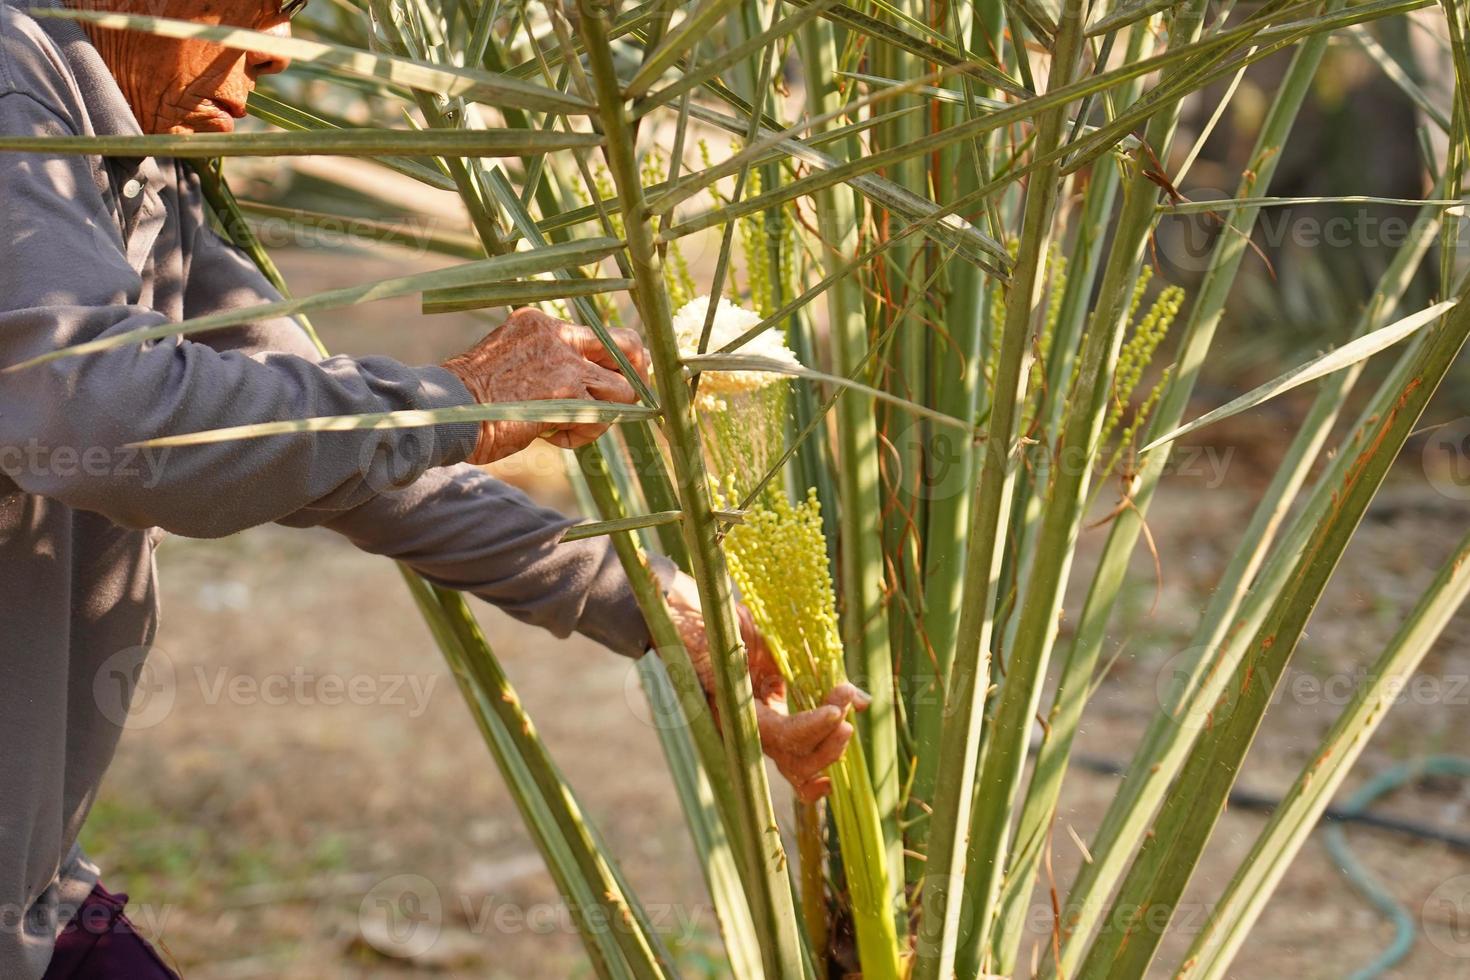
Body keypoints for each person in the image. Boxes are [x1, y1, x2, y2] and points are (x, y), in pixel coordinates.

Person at [0, 0, 867, 975]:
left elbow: (339, 455)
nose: (279, 55)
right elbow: (105, 419)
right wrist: (456, 397)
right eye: (262, 9)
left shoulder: (129, 160)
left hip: (33, 895)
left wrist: (657, 607)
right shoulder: (14, 96)